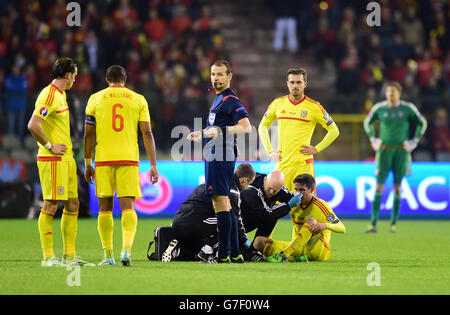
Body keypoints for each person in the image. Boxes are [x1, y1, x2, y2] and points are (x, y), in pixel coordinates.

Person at [84, 65, 159, 266]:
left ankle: (108, 255)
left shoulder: (95, 98)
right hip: (128, 158)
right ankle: (126, 251)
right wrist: (153, 164)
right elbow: (147, 133)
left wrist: (87, 162)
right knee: (128, 207)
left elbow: (88, 134)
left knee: (104, 209)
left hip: (103, 159)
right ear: (124, 79)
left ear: (107, 80)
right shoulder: (138, 99)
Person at [27, 57, 93, 267]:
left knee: (73, 204)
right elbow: (33, 124)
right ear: (67, 75)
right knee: (51, 204)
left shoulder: (61, 95)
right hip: (53, 159)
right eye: (74, 74)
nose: (76, 78)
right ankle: (48, 257)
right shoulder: (48, 95)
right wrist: (49, 146)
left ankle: (69, 256)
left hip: (66, 159)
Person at [187, 59, 251, 263]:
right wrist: (203, 133)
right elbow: (217, 128)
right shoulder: (218, 99)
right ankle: (234, 253)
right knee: (224, 203)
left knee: (220, 202)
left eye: (220, 74)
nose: (216, 78)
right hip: (216, 152)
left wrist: (219, 131)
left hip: (221, 154)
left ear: (229, 77)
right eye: (213, 74)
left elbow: (246, 126)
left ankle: (222, 255)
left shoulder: (230, 99)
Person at [258, 68, 340, 193]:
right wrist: (270, 150)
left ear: (305, 84)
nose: (295, 85)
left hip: (303, 165)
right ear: (287, 84)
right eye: (292, 82)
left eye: (298, 82)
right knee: (279, 207)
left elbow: (334, 130)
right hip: (283, 163)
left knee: (305, 205)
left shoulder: (314, 107)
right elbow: (262, 126)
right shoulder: (278, 104)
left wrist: (317, 148)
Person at [363, 81, 427, 233]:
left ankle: (393, 224)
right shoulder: (380, 108)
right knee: (379, 186)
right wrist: (372, 138)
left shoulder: (407, 108)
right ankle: (373, 224)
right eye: (388, 92)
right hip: (384, 151)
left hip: (401, 152)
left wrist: (415, 140)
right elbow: (367, 122)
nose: (390, 94)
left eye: (393, 92)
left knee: (398, 188)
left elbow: (422, 122)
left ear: (399, 93)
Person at [167, 163, 262, 262]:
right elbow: (236, 221)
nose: (247, 187)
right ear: (244, 180)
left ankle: (189, 250)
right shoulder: (232, 190)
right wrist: (245, 243)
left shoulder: (216, 181)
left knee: (223, 221)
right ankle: (212, 252)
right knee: (228, 221)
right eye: (248, 183)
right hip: (192, 224)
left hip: (178, 222)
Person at [253, 174, 345, 262]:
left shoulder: (321, 206)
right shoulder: (294, 203)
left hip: (318, 251)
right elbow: (271, 213)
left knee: (311, 221)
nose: (298, 193)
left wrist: (325, 225)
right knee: (258, 242)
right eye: (296, 189)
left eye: (302, 190)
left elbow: (341, 228)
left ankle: (284, 255)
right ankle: (295, 258)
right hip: (297, 247)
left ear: (311, 189)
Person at [240, 170, 300, 241]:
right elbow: (267, 214)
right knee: (271, 216)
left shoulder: (275, 185)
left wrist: (303, 196)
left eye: (275, 190)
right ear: (265, 179)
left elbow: (292, 197)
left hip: (245, 220)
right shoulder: (252, 189)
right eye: (270, 188)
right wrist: (288, 206)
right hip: (233, 223)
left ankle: (254, 249)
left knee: (271, 218)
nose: (271, 192)